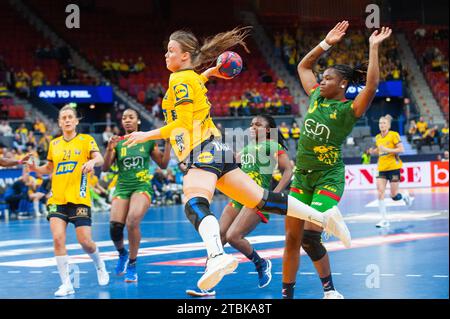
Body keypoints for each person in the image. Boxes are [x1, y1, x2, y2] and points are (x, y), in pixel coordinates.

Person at [123, 27, 351, 292]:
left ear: (185, 56)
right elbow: (196, 87)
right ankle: (324, 216)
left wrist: (145, 135)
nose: (166, 54)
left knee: (194, 203)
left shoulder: (179, 80)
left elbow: (182, 123)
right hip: (218, 148)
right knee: (261, 198)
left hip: (202, 148)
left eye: (171, 50)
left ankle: (218, 257)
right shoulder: (191, 78)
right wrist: (209, 73)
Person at [284, 22, 392, 299]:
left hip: (328, 177)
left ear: (342, 84)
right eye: (323, 77)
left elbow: (372, 84)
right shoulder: (316, 97)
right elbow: (303, 68)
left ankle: (330, 291)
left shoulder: (349, 109)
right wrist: (326, 43)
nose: (322, 80)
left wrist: (373, 47)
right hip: (302, 177)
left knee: (310, 237)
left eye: (328, 78)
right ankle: (287, 294)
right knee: (293, 239)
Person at [187, 114, 294, 297]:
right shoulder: (247, 148)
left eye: (258, 124)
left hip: (257, 197)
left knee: (234, 236)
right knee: (218, 237)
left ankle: (261, 263)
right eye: (251, 124)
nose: (253, 126)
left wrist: (275, 193)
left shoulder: (273, 145)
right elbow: (229, 163)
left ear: (268, 130)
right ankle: (206, 284)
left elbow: (289, 169)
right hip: (239, 196)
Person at [27, 104, 109, 297]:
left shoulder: (85, 140)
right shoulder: (54, 144)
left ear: (76, 120)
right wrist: (34, 168)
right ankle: (66, 284)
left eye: (70, 117)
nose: (67, 120)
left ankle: (99, 264)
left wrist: (92, 162)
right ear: (59, 122)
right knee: (58, 239)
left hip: (79, 198)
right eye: (63, 118)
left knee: (85, 242)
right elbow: (49, 168)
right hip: (57, 198)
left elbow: (100, 159)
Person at [102, 108, 172, 283]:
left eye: (131, 117)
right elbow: (104, 168)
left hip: (141, 186)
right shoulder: (117, 142)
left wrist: (168, 144)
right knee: (114, 228)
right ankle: (122, 254)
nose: (127, 120)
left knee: (132, 221)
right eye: (124, 118)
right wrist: (110, 149)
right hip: (122, 187)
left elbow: (163, 164)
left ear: (138, 121)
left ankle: (132, 265)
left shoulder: (147, 140)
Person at [370, 115, 411, 228]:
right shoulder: (378, 137)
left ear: (388, 125)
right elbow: (379, 150)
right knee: (380, 192)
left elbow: (401, 149)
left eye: (383, 123)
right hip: (381, 169)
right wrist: (373, 151)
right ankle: (384, 220)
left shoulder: (394, 135)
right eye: (380, 123)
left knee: (393, 195)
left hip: (393, 168)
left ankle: (404, 196)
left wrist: (387, 150)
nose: (381, 125)